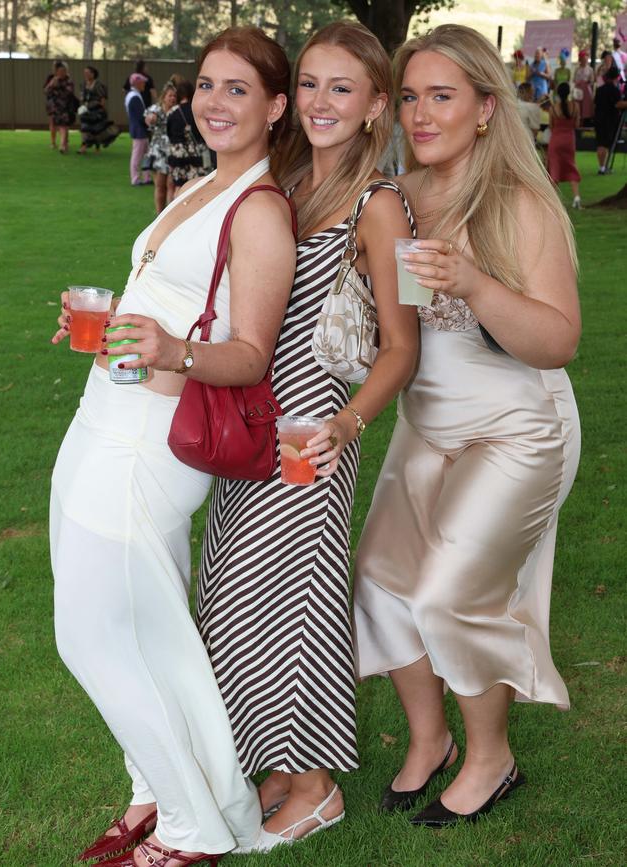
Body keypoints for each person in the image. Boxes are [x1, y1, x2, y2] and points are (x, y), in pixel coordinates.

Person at [49, 25, 297, 867]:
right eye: (206, 86)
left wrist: (168, 351)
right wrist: (114, 326)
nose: (216, 103)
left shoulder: (261, 209)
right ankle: (162, 792)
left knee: (90, 635)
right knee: (149, 633)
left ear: (276, 106)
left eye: (239, 89)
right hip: (105, 413)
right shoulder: (203, 184)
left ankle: (193, 831)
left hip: (149, 444)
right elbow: (173, 301)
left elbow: (250, 354)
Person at [197, 21, 417, 854]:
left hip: (314, 432)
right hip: (250, 420)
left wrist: (347, 423)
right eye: (313, 84)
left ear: (373, 107)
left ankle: (318, 785)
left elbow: (403, 346)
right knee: (232, 595)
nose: (322, 102)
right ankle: (277, 767)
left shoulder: (379, 205)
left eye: (342, 88)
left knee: (297, 602)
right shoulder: (285, 183)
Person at [353, 23, 581, 828]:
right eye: (410, 96)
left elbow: (559, 341)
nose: (421, 113)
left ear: (486, 108)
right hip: (429, 416)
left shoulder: (518, 200)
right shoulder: (397, 194)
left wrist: (477, 284)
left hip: (518, 422)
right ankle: (429, 741)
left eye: (442, 96)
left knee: (450, 595)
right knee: (380, 581)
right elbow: (396, 329)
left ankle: (493, 757)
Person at [166, 79, 209, 202]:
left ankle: (173, 214)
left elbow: (168, 133)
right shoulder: (197, 111)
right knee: (195, 186)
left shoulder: (172, 112)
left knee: (178, 185)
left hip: (177, 152)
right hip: (195, 152)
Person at [144, 80, 178, 213]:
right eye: (170, 95)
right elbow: (149, 118)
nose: (173, 98)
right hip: (158, 152)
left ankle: (168, 215)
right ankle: (159, 215)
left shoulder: (177, 111)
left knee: (171, 185)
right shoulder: (156, 109)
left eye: (175, 96)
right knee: (159, 185)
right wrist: (150, 118)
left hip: (173, 151)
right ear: (164, 97)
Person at [548, 82, 581, 208]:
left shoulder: (553, 108)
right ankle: (577, 197)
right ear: (569, 92)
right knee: (571, 167)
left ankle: (554, 202)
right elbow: (577, 125)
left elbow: (551, 126)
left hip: (556, 140)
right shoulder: (575, 106)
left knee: (554, 169)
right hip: (569, 140)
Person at [77, 65, 119, 154]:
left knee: (96, 129)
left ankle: (97, 148)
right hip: (85, 110)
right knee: (85, 127)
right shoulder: (83, 84)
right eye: (85, 73)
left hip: (97, 110)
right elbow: (81, 97)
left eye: (87, 73)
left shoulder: (99, 85)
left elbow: (103, 99)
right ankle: (83, 147)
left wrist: (101, 109)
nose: (85, 74)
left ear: (93, 74)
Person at [594, 66, 627, 174]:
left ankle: (602, 166)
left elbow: (595, 104)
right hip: (608, 120)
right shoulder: (614, 90)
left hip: (598, 118)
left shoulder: (599, 90)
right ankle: (603, 167)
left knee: (600, 143)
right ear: (617, 77)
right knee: (605, 144)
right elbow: (618, 104)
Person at [43, 61, 76, 154]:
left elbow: (69, 92)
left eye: (63, 71)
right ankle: (54, 142)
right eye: (59, 71)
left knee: (63, 125)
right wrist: (52, 83)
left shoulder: (68, 80)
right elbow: (46, 91)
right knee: (53, 123)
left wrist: (59, 86)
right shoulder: (51, 78)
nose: (61, 73)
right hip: (53, 106)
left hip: (65, 106)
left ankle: (63, 144)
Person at [125, 72, 151, 186]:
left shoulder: (132, 95)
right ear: (137, 83)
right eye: (142, 82)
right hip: (139, 130)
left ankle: (146, 177)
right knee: (137, 155)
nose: (144, 84)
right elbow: (140, 116)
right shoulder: (134, 97)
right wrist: (148, 124)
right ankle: (135, 179)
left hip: (139, 130)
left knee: (145, 154)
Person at [573, 50, 594, 125]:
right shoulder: (577, 69)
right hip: (578, 89)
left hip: (586, 90)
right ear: (580, 60)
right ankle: (578, 121)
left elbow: (592, 80)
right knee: (578, 106)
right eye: (583, 59)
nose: (584, 61)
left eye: (586, 59)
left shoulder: (590, 69)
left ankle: (586, 122)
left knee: (586, 107)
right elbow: (574, 80)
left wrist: (587, 82)